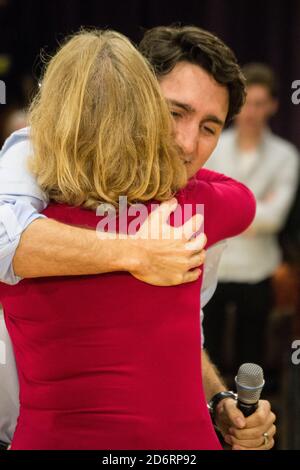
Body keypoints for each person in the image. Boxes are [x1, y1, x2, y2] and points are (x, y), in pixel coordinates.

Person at [0, 26, 276, 450]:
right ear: (136, 102)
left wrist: (217, 397)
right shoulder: (196, 208)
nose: (187, 143)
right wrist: (135, 251)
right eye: (174, 113)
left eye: (209, 127)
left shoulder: (39, 218)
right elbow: (243, 201)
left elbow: (177, 338)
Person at [204, 63, 299, 375]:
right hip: (213, 268)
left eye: (260, 103)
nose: (251, 112)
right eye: (246, 102)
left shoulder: (285, 156)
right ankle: (211, 418)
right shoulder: (212, 145)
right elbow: (199, 206)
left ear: (272, 106)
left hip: (258, 271)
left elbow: (274, 219)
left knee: (251, 358)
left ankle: (247, 420)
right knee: (208, 353)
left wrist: (224, 209)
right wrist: (255, 207)